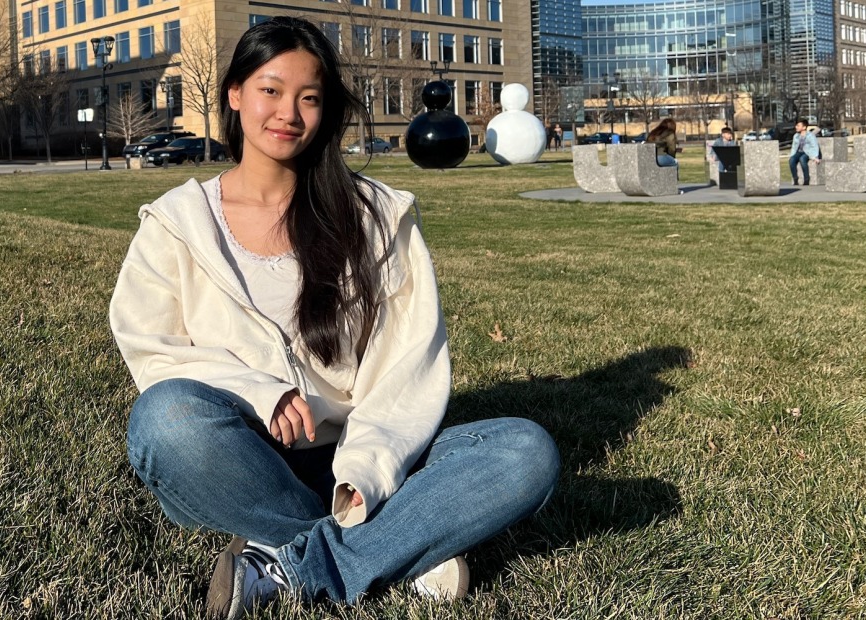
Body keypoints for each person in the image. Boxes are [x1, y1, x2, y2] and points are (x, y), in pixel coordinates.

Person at [111, 16, 560, 620]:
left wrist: (365, 470)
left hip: (365, 455)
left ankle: (293, 563)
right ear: (235, 94)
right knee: (164, 421)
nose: (288, 113)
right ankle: (398, 546)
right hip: (246, 457)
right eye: (271, 90)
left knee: (524, 451)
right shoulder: (177, 222)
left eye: (310, 98)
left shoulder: (377, 215)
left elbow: (410, 364)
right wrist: (261, 394)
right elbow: (152, 349)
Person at [788, 119, 820, 186]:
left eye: (798, 126)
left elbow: (814, 146)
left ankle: (806, 179)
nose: (796, 127)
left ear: (804, 127)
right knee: (791, 160)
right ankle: (795, 178)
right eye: (796, 125)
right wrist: (792, 155)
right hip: (799, 152)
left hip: (807, 152)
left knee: (802, 159)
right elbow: (794, 147)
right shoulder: (796, 136)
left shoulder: (810, 135)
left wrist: (815, 157)